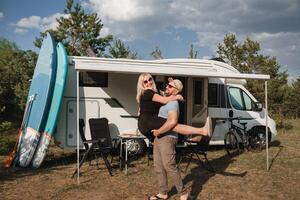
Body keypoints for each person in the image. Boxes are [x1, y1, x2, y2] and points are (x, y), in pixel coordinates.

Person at [136, 73, 210, 142]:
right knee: (175, 126)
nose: (149, 82)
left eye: (150, 79)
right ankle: (202, 131)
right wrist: (176, 97)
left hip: (145, 123)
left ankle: (199, 134)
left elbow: (142, 108)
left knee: (157, 142)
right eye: (145, 82)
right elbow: (164, 100)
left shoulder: (152, 93)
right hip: (147, 121)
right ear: (142, 85)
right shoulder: (148, 92)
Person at [150, 78, 191, 200]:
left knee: (169, 165)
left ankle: (183, 193)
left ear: (176, 91)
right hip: (159, 138)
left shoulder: (173, 103)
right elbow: (159, 93)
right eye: (166, 85)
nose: (166, 87)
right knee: (158, 166)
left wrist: (158, 131)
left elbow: (172, 122)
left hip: (168, 137)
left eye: (170, 86)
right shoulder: (168, 100)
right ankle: (163, 193)